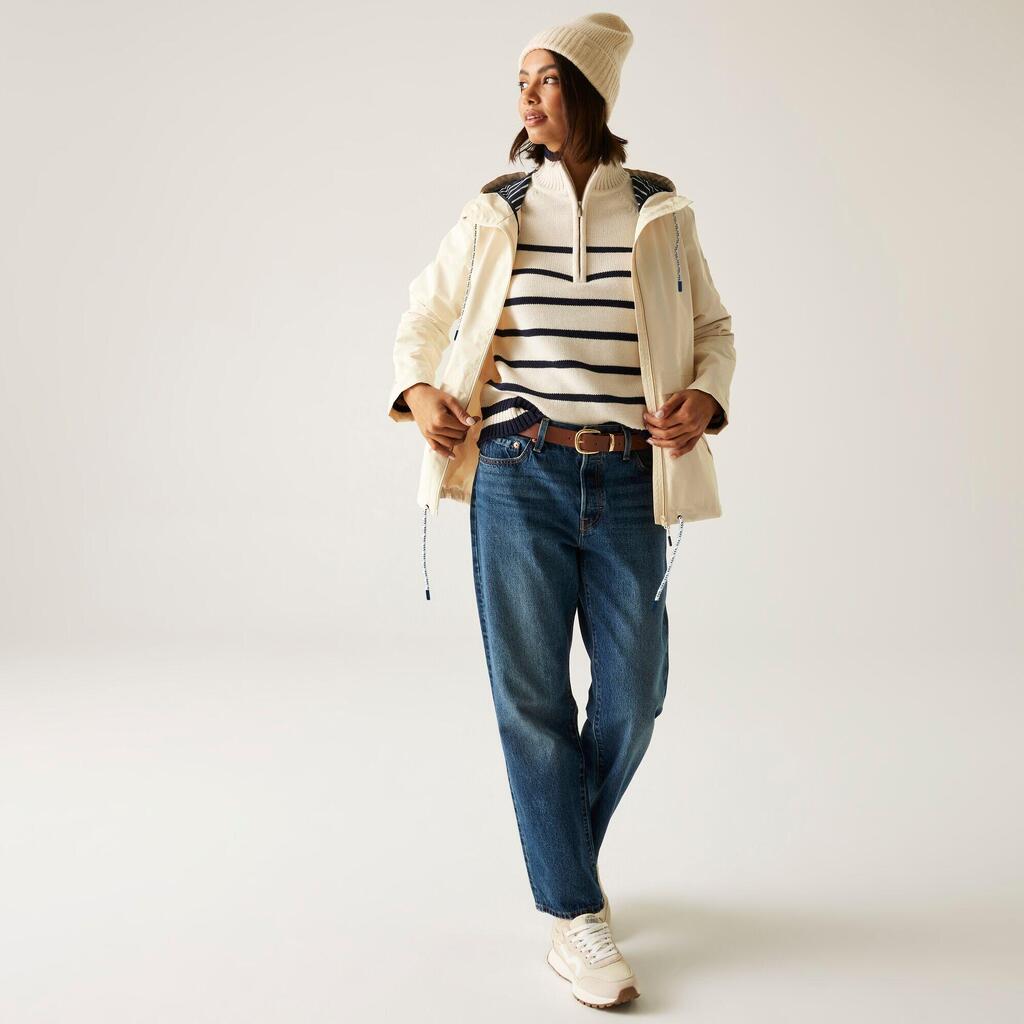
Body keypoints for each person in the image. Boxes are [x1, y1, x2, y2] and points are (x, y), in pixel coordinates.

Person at [386, 12, 735, 1010]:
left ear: (589, 91)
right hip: (515, 471)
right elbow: (422, 319)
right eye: (521, 82)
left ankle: (562, 865)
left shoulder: (660, 209)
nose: (527, 97)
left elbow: (713, 329)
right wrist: (420, 392)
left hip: (629, 478)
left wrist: (704, 396)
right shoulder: (494, 208)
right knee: (532, 701)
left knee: (634, 694)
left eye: (545, 79)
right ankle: (576, 914)